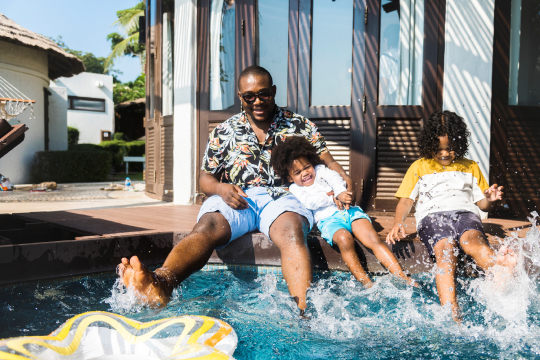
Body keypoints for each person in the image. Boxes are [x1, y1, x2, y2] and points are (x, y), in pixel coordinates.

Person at [116, 65, 355, 314]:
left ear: (273, 91)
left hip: (284, 197)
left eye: (264, 94)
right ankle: (161, 283)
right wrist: (220, 189)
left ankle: (303, 313)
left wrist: (344, 178)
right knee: (207, 226)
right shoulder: (223, 131)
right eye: (249, 96)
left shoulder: (299, 125)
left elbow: (328, 161)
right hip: (238, 197)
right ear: (240, 97)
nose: (257, 101)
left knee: (292, 231)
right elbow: (205, 178)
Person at [386, 110, 516, 321]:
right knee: (446, 250)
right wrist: (397, 222)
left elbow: (481, 204)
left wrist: (491, 200)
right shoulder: (419, 167)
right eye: (439, 150)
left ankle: (499, 267)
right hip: (432, 217)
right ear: (429, 146)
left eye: (451, 149)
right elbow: (406, 200)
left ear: (460, 144)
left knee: (472, 242)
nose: (445, 154)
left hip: (465, 214)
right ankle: (452, 311)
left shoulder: (471, 167)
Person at [271, 136, 414, 288]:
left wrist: (339, 192)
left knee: (372, 238)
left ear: (312, 163)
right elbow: (309, 202)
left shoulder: (321, 170)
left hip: (349, 212)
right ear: (289, 177)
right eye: (297, 172)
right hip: (328, 221)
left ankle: (402, 276)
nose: (305, 173)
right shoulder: (295, 188)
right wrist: (332, 199)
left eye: (307, 167)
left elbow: (335, 178)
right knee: (344, 240)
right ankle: (366, 283)